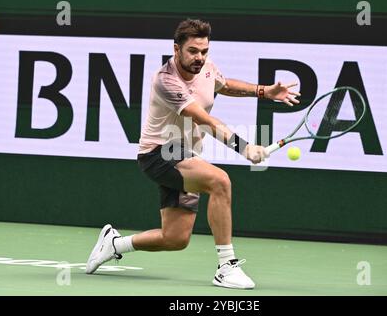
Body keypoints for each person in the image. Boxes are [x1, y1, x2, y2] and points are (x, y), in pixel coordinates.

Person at [86, 18, 300, 289]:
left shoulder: (207, 68)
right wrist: (245, 148)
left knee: (175, 239)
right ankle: (226, 267)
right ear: (177, 50)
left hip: (185, 154)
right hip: (159, 154)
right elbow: (203, 119)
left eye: (204, 51)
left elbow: (223, 85)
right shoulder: (166, 80)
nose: (200, 57)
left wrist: (263, 91)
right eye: (193, 51)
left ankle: (114, 244)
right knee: (220, 181)